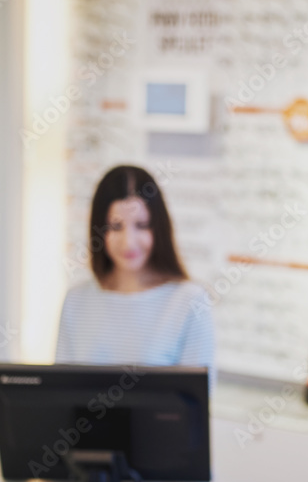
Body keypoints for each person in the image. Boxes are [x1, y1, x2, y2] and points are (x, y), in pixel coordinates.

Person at [55, 165, 215, 387]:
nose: (128, 241)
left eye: (142, 225)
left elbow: (197, 400)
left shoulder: (190, 302)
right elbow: (61, 391)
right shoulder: (76, 300)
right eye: (116, 226)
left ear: (158, 228)